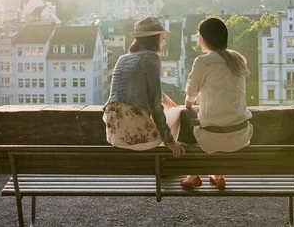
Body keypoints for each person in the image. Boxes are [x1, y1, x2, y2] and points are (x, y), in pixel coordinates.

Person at [180, 17, 253, 188]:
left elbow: (191, 93)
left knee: (185, 114)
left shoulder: (203, 61)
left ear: (204, 38)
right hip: (240, 136)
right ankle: (218, 174)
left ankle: (193, 174)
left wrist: (190, 105)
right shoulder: (238, 59)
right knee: (227, 117)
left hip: (212, 139)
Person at [103, 17, 186, 158]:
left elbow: (136, 88)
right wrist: (170, 141)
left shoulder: (123, 58)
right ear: (154, 39)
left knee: (167, 109)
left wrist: (164, 97)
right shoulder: (151, 58)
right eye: (162, 37)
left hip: (114, 136)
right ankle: (170, 154)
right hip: (138, 140)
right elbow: (155, 104)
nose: (164, 42)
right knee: (177, 112)